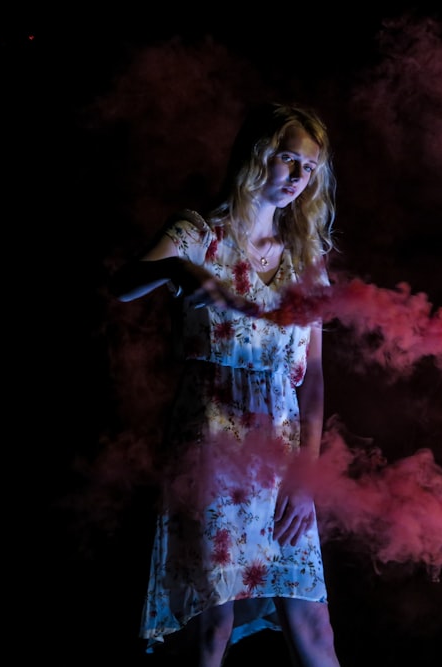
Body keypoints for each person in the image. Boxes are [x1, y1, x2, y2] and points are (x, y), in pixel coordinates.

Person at [108, 102, 342, 667]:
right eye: (288, 160)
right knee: (213, 623)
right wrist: (174, 269)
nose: (296, 178)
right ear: (258, 155)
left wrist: (305, 476)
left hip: (283, 454)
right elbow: (123, 285)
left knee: (310, 619)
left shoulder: (308, 261)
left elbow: (311, 384)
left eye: (308, 168)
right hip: (212, 446)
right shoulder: (199, 234)